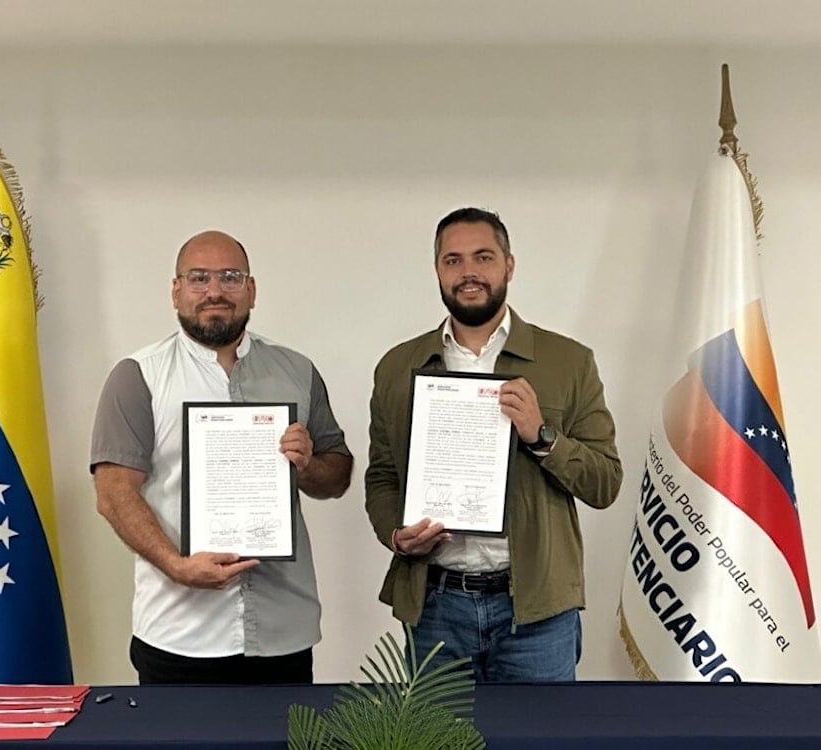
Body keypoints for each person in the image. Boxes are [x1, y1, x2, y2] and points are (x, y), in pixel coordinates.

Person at [364, 207, 621, 682]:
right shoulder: (399, 367)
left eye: (483, 257)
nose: (468, 273)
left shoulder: (568, 361)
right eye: (453, 260)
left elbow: (605, 483)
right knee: (440, 743)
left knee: (542, 743)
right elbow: (381, 477)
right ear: (438, 270)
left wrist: (542, 437)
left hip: (536, 611)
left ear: (509, 265)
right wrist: (396, 535)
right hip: (435, 607)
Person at [91, 230, 352, 685]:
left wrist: (309, 464)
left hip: (282, 632)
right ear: (176, 291)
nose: (215, 291)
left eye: (230, 277)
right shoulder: (139, 376)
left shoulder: (297, 371)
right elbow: (114, 493)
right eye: (199, 278)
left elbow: (337, 475)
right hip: (180, 633)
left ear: (251, 289)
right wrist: (177, 565)